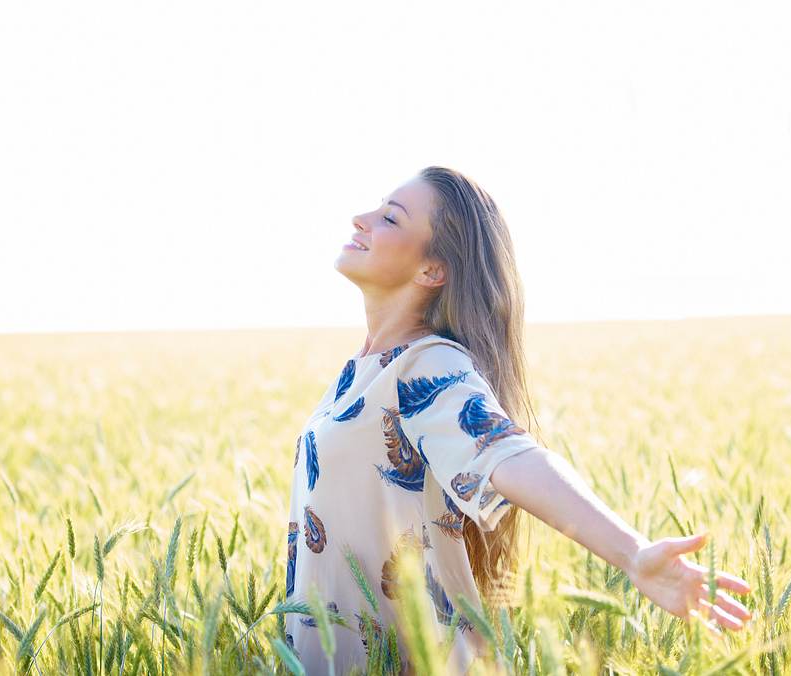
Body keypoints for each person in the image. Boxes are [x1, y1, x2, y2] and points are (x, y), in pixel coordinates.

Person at [282, 166, 752, 675]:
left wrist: (633, 554)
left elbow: (511, 456)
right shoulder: (361, 370)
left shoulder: (426, 365)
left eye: (390, 218)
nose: (362, 218)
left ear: (432, 270)